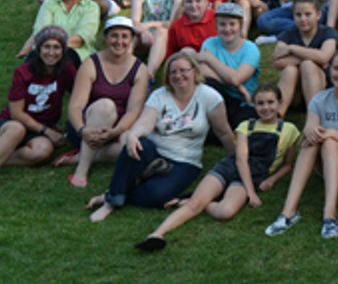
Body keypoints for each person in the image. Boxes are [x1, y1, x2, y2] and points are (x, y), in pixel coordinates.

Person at [133, 83, 300, 251]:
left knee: (225, 212)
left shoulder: (289, 130)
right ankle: (157, 234)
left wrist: (271, 180)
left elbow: (288, 165)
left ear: (280, 103)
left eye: (270, 102)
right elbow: (241, 160)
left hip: (251, 176)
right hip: (229, 167)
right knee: (194, 205)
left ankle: (190, 201)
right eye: (260, 103)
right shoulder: (246, 126)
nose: (266, 108)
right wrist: (251, 193)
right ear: (254, 105)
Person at [86, 51, 235, 222]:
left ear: (194, 71)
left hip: (185, 161)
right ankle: (111, 201)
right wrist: (133, 134)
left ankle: (118, 191)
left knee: (156, 196)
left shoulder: (210, 97)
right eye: (173, 72)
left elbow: (223, 132)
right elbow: (145, 122)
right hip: (154, 150)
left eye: (183, 70)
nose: (178, 75)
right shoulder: (159, 95)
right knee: (136, 145)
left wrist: (238, 157)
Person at [265, 50, 338, 239]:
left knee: (330, 142)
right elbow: (308, 134)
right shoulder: (319, 99)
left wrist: (333, 134)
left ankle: (330, 215)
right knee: (312, 141)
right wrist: (311, 132)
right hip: (325, 161)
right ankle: (288, 212)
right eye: (337, 68)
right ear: (330, 70)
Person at [63, 16, 149, 189]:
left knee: (134, 148)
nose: (119, 41)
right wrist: (82, 130)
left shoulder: (140, 69)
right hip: (88, 126)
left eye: (124, 36)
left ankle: (78, 157)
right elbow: (75, 106)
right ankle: (82, 170)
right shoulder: (91, 63)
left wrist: (115, 131)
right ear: (106, 38)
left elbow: (133, 111)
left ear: (131, 39)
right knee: (105, 105)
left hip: (117, 129)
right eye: (114, 36)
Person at [0, 27, 77, 180]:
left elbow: (80, 96)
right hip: (11, 125)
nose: (51, 53)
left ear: (63, 50)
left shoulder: (67, 69)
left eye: (56, 47)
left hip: (37, 132)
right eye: (46, 47)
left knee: (43, 151)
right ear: (38, 49)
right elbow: (16, 114)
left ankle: (0, 155)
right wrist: (47, 131)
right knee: (17, 129)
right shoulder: (23, 72)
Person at [271, 0, 338, 117]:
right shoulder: (289, 34)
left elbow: (324, 56)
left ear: (318, 15)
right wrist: (314, 59)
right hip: (295, 93)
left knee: (308, 66)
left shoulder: (327, 33)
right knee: (290, 70)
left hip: (322, 90)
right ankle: (276, 118)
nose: (303, 19)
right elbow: (277, 61)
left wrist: (293, 49)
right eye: (298, 15)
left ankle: (314, 118)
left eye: (308, 14)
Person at [194, 2, 261, 129]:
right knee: (207, 83)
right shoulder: (209, 43)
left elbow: (236, 78)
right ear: (216, 26)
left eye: (232, 24)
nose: (227, 29)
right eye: (222, 24)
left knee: (244, 127)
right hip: (218, 97)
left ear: (240, 25)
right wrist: (238, 86)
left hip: (244, 101)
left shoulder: (250, 49)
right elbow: (202, 70)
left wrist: (209, 58)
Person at [21, 0, 99, 63]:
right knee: (32, 58)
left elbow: (80, 38)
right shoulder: (49, 4)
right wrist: (50, 50)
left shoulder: (91, 7)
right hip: (44, 51)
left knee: (67, 58)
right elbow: (40, 32)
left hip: (77, 53)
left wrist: (54, 50)